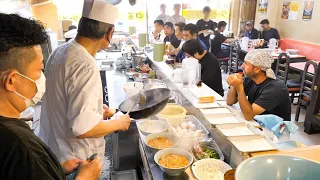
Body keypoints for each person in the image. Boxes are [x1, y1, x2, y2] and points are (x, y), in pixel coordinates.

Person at [0, 13, 101, 180]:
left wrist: (56, 170)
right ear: (11, 80)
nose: (42, 78)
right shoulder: (22, 147)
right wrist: (86, 177)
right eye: (39, 70)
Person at [39, 1, 131, 163]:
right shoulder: (85, 65)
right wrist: (118, 123)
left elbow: (64, 103)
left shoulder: (60, 51)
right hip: (76, 160)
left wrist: (95, 112)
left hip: (54, 150)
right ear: (110, 33)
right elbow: (83, 128)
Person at [226, 49, 291, 121]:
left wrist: (239, 88)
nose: (242, 66)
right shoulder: (250, 79)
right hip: (257, 121)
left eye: (246, 63)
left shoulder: (275, 88)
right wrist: (234, 84)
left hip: (274, 129)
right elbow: (229, 101)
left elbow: (249, 116)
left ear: (257, 69)